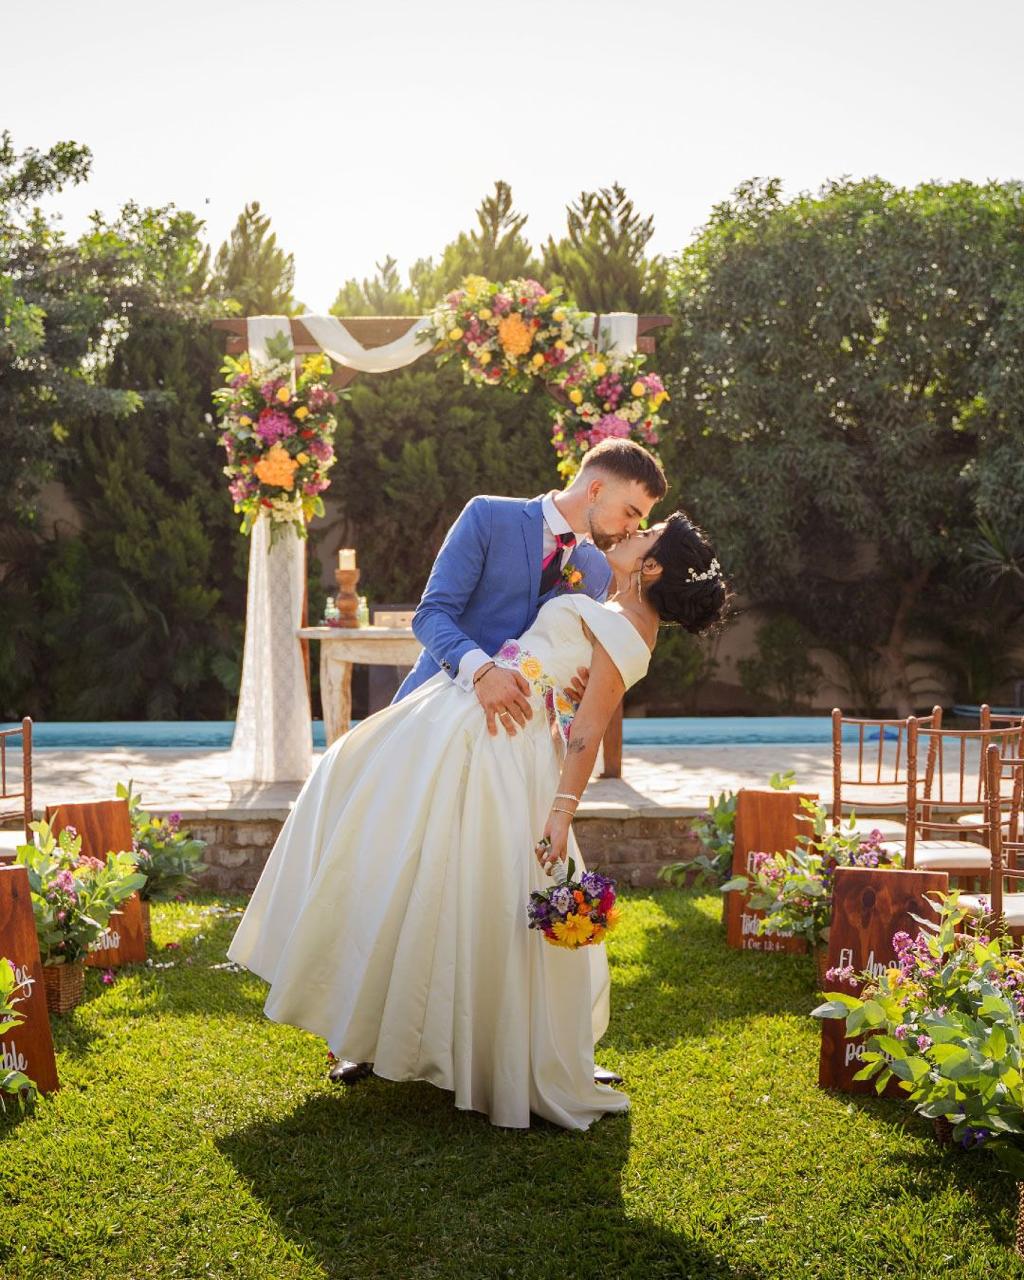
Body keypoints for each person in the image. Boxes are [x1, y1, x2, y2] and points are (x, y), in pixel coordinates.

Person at [227, 511, 728, 1130]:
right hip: (465, 713)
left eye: (645, 535)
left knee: (464, 877)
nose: (632, 532)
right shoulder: (609, 600)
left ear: (651, 567)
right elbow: (558, 673)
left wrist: (561, 813)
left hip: (500, 745)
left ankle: (472, 1044)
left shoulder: (631, 629)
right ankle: (374, 1026)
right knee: (385, 827)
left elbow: (588, 730)